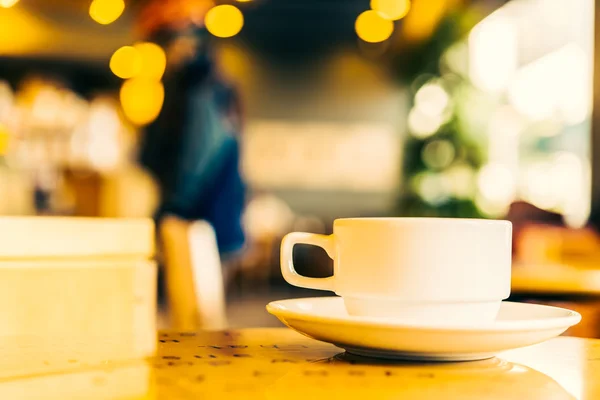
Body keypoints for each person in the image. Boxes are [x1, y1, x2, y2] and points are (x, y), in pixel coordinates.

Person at [139, 26, 246, 260]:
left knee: (194, 282)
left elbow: (195, 156)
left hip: (198, 207)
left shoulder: (197, 94)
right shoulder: (214, 95)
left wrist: (176, 204)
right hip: (213, 205)